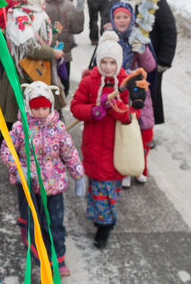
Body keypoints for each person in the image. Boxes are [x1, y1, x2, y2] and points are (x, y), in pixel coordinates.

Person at [0, 82, 85, 276]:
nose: (40, 112)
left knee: (54, 222)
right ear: (28, 107)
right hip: (28, 185)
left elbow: (69, 153)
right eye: (36, 108)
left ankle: (58, 259)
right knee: (32, 220)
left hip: (53, 186)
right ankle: (34, 248)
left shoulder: (58, 128)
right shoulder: (20, 129)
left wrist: (78, 175)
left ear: (51, 106)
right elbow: (6, 150)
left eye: (44, 108)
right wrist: (19, 170)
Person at [69, 31, 132, 249]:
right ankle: (102, 220)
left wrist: (114, 107)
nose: (107, 67)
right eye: (103, 62)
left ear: (119, 62)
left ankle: (105, 225)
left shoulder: (125, 84)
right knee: (97, 187)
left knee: (108, 189)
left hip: (117, 147)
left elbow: (131, 116)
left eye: (112, 62)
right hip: (94, 145)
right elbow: (75, 107)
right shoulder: (89, 82)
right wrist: (93, 110)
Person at [0, 0, 64, 127]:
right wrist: (52, 53)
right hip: (24, 75)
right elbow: (30, 48)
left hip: (41, 73)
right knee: (22, 121)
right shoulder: (18, 15)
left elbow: (40, 42)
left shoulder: (39, 12)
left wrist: (53, 42)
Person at [121, 0, 177, 126]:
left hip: (150, 62)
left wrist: (164, 61)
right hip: (127, 61)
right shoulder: (123, 2)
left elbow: (169, 31)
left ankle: (147, 130)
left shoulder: (155, 3)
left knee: (149, 96)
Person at [110, 2, 156, 187]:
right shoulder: (111, 38)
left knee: (142, 132)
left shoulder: (140, 37)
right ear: (112, 20)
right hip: (120, 91)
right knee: (124, 133)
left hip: (138, 91)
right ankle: (125, 170)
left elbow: (151, 66)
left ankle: (141, 168)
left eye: (125, 17)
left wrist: (143, 51)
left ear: (132, 19)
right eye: (118, 17)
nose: (121, 21)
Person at [43, 0, 85, 96]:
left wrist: (79, 9)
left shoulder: (68, 5)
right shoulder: (43, 6)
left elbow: (77, 29)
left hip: (65, 54)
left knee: (64, 88)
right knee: (49, 88)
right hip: (47, 54)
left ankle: (61, 111)